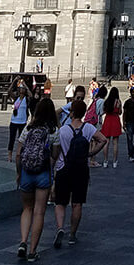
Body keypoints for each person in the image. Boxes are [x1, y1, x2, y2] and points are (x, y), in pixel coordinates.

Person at [52, 98, 106, 248]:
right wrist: (90, 153)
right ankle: (72, 235)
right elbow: (103, 140)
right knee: (77, 204)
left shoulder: (62, 130)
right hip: (81, 169)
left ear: (72, 113)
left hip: (64, 169)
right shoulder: (88, 128)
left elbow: (56, 153)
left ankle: (60, 228)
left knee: (60, 202)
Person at [15, 97, 60, 262]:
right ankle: (33, 251)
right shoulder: (54, 130)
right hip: (43, 173)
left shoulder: (29, 128)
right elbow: (55, 155)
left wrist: (19, 173)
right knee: (39, 211)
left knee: (27, 208)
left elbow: (19, 153)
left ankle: (22, 242)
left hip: (27, 171)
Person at [7, 77, 32, 162]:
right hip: (14, 121)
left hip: (22, 122)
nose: (21, 90)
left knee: (21, 139)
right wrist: (14, 81)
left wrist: (25, 84)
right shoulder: (16, 97)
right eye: (20, 88)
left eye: (23, 88)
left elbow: (31, 95)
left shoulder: (26, 99)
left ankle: (20, 154)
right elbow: (9, 91)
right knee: (12, 139)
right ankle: (10, 155)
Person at [100, 86, 123, 168]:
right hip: (115, 120)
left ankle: (105, 161)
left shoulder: (107, 101)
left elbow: (104, 111)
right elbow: (120, 112)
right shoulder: (118, 102)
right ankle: (114, 161)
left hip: (108, 120)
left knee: (106, 142)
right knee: (115, 143)